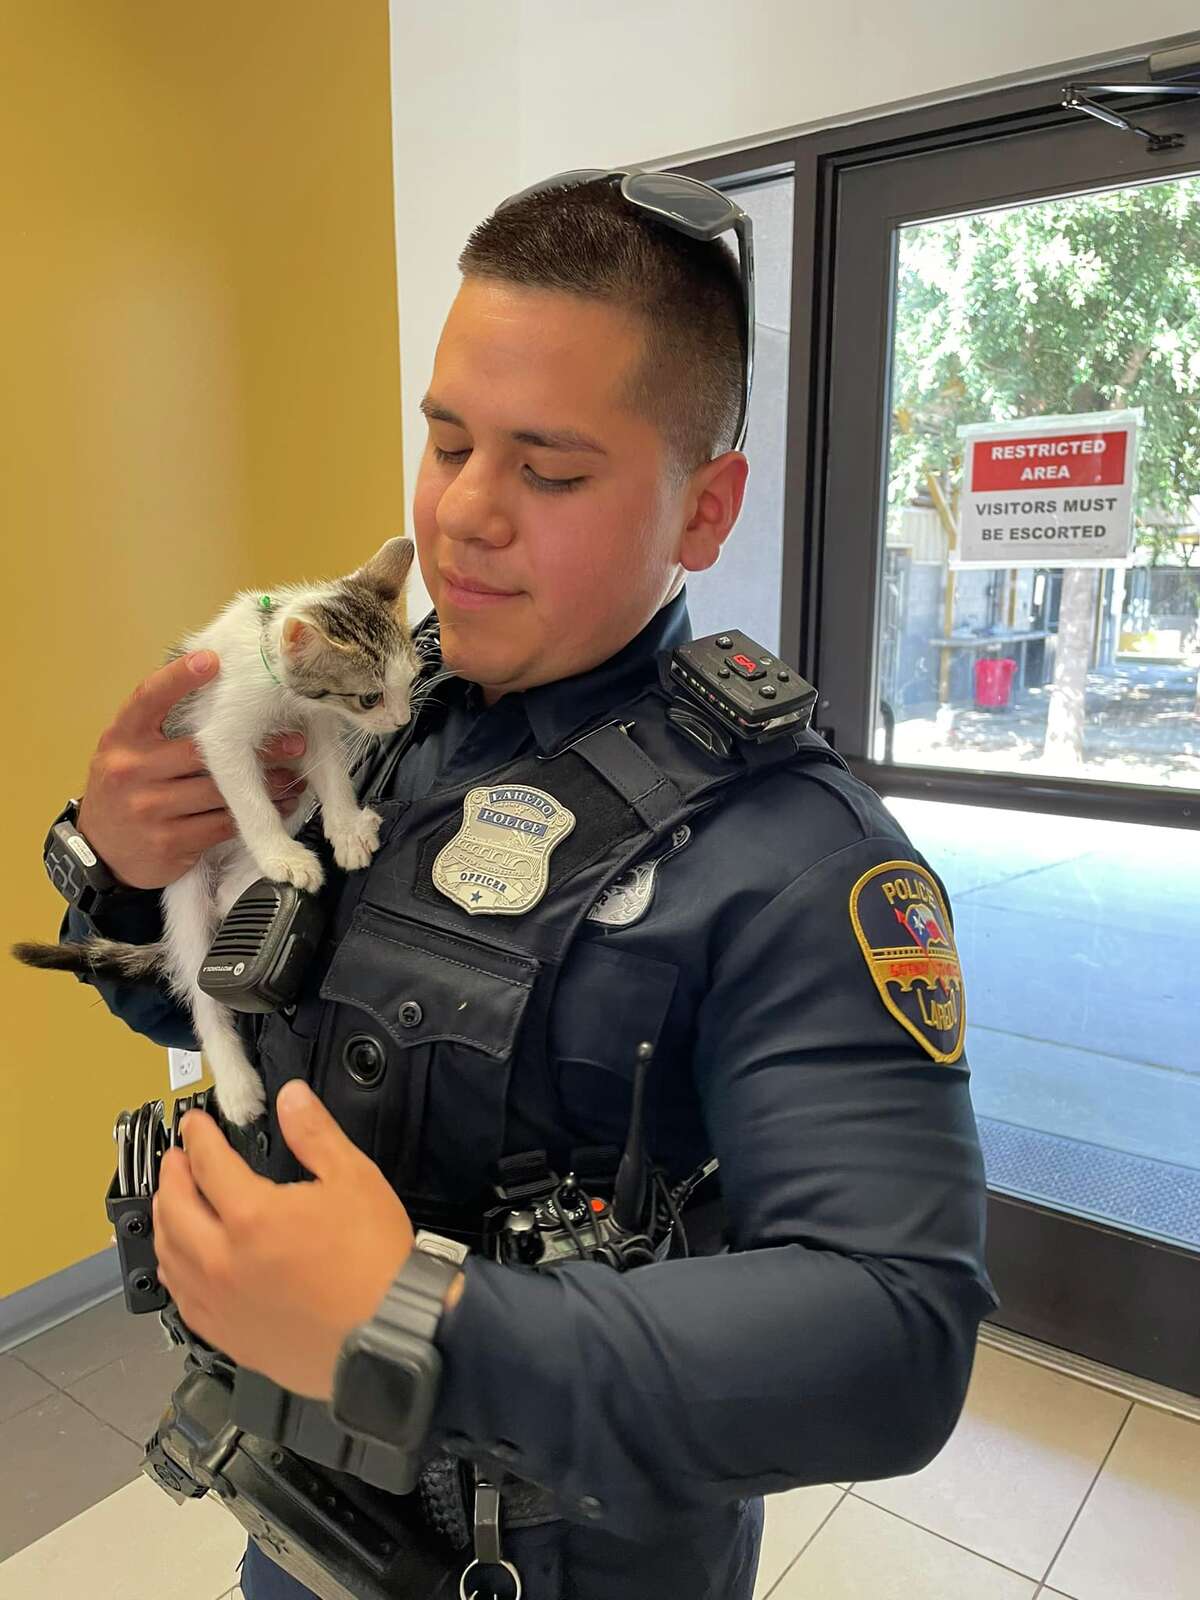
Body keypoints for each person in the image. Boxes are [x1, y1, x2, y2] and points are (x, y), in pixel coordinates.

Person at [46, 172, 996, 1600]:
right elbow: (230, 1019)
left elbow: (900, 1337)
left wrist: (419, 1320)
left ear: (706, 508)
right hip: (305, 1525)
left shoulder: (797, 858)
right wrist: (129, 873)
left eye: (550, 471)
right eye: (445, 443)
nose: (463, 518)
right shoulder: (378, 730)